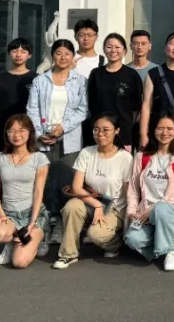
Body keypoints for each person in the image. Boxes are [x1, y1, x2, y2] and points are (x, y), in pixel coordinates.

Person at [26, 39, 89, 244]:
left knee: (67, 181)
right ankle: (43, 224)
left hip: (69, 138)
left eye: (67, 54)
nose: (63, 57)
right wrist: (39, 133)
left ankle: (62, 224)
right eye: (59, 53)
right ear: (52, 56)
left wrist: (63, 128)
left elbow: (83, 110)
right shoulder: (40, 80)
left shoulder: (80, 81)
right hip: (44, 139)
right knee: (43, 182)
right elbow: (32, 109)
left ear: (72, 56)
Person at [53, 115, 133, 269]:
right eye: (96, 130)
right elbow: (76, 187)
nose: (100, 134)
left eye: (105, 130)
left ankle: (114, 245)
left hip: (115, 207)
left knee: (96, 234)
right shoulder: (86, 153)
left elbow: (128, 192)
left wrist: (128, 222)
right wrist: (97, 205)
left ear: (116, 131)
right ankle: (68, 254)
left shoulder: (125, 158)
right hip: (90, 201)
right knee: (71, 206)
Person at [124, 115, 174, 271]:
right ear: (153, 130)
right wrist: (132, 210)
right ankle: (162, 246)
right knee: (132, 239)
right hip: (146, 211)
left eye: (170, 129)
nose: (165, 132)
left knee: (161, 209)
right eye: (160, 128)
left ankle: (171, 251)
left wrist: (155, 207)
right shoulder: (141, 156)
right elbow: (133, 189)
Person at [0, 114, 50, 268]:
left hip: (32, 213)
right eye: (11, 131)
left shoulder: (39, 158)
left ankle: (40, 236)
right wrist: (2, 216)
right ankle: (11, 242)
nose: (16, 135)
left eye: (22, 130)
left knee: (19, 262)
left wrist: (32, 222)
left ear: (30, 132)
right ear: (6, 134)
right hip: (9, 214)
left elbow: (38, 193)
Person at [86, 33, 143, 148]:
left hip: (123, 132)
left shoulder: (132, 75)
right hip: (100, 132)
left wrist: (127, 124)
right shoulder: (96, 74)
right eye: (109, 47)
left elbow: (136, 107)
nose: (113, 50)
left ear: (124, 51)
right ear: (104, 50)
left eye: (117, 47)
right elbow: (91, 104)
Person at [0, 38, 34, 153]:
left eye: (23, 52)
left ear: (29, 55)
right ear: (9, 53)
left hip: (27, 129)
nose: (18, 55)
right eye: (15, 51)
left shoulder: (36, 78)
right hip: (2, 128)